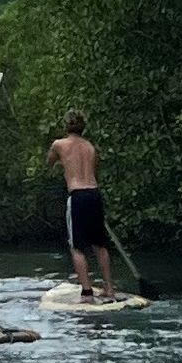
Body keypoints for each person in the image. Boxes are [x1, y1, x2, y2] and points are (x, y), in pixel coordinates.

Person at [47, 110, 115, 302]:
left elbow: (49, 162)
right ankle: (109, 287)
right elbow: (95, 172)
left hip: (77, 196)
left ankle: (87, 292)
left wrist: (60, 162)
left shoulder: (59, 144)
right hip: (94, 193)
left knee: (77, 246)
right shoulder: (90, 147)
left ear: (66, 126)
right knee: (100, 244)